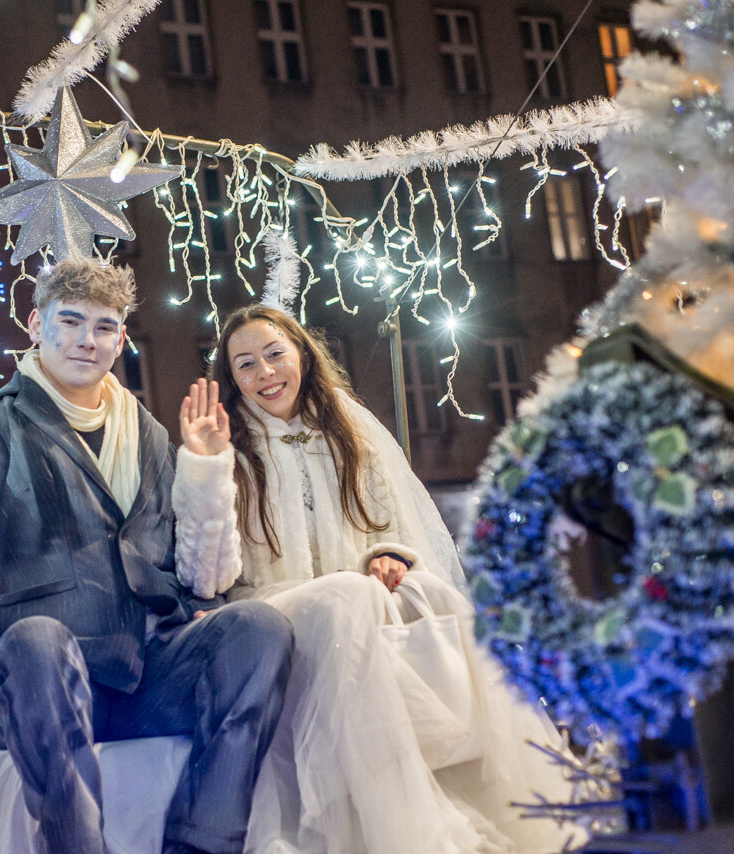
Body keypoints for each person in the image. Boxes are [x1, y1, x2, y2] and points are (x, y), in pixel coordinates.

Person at [0, 260, 295, 854]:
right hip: (34, 682)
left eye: (105, 327)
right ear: (35, 324)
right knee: (36, 641)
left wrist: (198, 604)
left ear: (121, 339)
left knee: (259, 628)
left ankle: (202, 842)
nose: (87, 339)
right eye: (71, 321)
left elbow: (169, 558)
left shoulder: (150, 433)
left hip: (137, 673)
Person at [171, 304, 575, 854]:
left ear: (302, 357)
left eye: (274, 354)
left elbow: (395, 523)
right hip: (273, 609)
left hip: (358, 597)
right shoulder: (227, 447)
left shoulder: (348, 430)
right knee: (344, 598)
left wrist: (390, 555)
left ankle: (482, 789)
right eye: (245, 364)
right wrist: (208, 467)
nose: (264, 372)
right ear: (231, 378)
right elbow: (205, 574)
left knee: (429, 594)